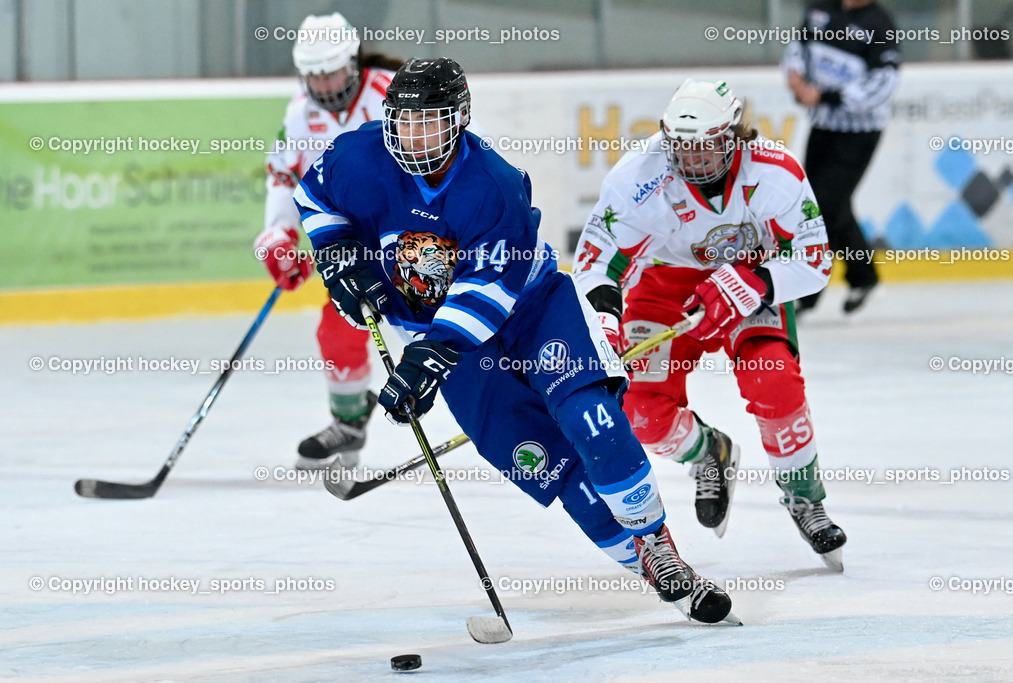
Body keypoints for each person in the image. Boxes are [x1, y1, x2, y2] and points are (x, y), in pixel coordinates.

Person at [295, 57, 733, 623]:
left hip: (532, 310)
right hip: (449, 342)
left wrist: (430, 356)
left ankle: (658, 542)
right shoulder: (358, 156)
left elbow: (487, 290)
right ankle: (645, 563)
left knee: (587, 416)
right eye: (404, 121)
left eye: (429, 122)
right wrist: (339, 257)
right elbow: (315, 198)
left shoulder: (493, 185)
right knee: (541, 461)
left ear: (459, 120)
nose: (414, 135)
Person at [572, 79, 847, 570]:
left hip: (747, 273)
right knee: (640, 411)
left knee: (774, 380)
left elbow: (815, 261)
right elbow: (596, 264)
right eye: (681, 146)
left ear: (734, 133)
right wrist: (605, 324)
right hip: (664, 287)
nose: (693, 158)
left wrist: (753, 282)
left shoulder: (775, 171)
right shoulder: (637, 178)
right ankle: (708, 455)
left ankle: (805, 498)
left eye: (707, 145)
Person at [254, 12, 403, 469]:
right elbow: (284, 174)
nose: (321, 83)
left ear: (353, 61)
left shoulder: (393, 93)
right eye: (312, 74)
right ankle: (350, 422)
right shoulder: (300, 113)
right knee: (337, 328)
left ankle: (517, 403)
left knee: (449, 329)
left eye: (330, 71)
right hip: (348, 246)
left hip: (415, 237)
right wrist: (278, 236)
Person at [781, 0, 901, 315]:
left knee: (824, 206)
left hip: (859, 133)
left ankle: (807, 292)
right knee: (823, 205)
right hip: (822, 126)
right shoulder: (821, 8)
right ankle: (864, 276)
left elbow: (884, 84)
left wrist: (827, 96)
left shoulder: (880, 25)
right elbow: (798, 48)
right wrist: (796, 78)